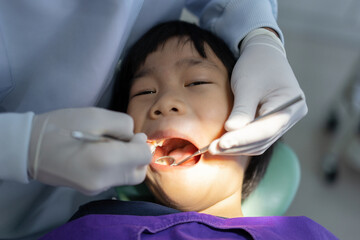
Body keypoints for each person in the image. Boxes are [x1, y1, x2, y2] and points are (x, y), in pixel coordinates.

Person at [0, 1, 307, 239]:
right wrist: (22, 144)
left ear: (252, 111)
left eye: (197, 82)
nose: (164, 103)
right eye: (144, 91)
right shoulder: (94, 229)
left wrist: (259, 33)